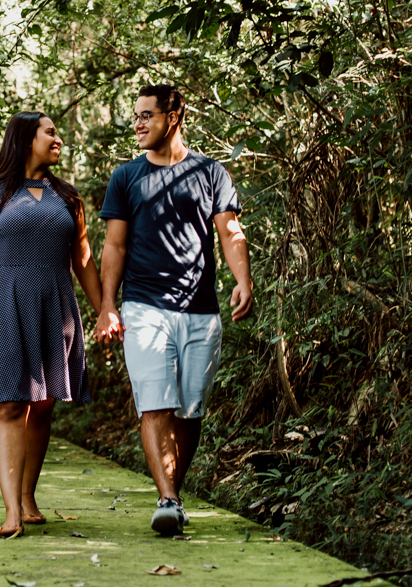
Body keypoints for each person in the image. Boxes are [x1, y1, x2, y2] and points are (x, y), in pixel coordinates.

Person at [96, 84, 253, 536]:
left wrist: (242, 280)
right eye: (136, 117)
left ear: (174, 116)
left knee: (190, 409)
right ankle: (166, 497)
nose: (139, 124)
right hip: (144, 306)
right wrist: (108, 306)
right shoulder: (126, 177)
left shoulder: (210, 173)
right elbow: (115, 245)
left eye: (147, 115)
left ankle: (174, 498)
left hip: (201, 309)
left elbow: (230, 231)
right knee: (155, 403)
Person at [0, 111, 102, 539]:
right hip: (3, 304)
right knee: (10, 405)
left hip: (55, 305)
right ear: (26, 138)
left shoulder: (68, 197)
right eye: (50, 132)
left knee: (43, 405)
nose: (58, 139)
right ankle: (11, 510)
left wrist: (106, 309)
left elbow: (83, 261)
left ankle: (28, 497)